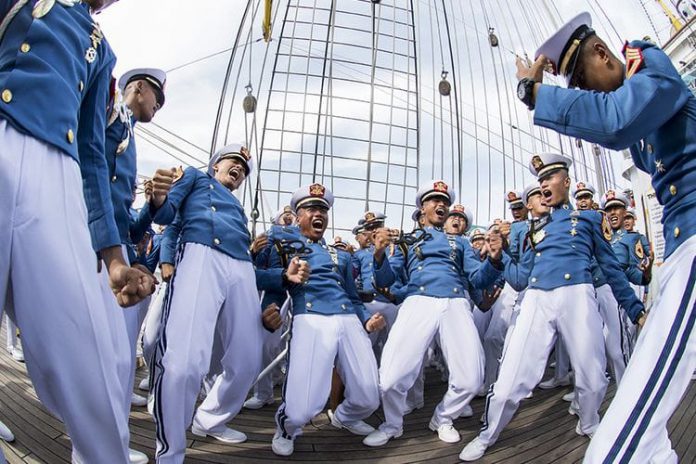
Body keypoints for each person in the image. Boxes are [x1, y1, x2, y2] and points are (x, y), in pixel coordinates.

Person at [515, 11, 696, 462]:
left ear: (602, 53)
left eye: (580, 77)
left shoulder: (650, 63)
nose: (582, 90)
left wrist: (538, 94)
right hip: (679, 251)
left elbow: (615, 121)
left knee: (618, 444)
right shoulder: (639, 110)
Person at [0, 1, 155, 462]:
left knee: (83, 344)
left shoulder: (102, 51)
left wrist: (113, 260)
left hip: (60, 179)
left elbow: (91, 154)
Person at [459, 153, 645, 461]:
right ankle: (488, 433)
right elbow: (519, 280)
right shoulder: (534, 230)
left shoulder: (587, 219)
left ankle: (588, 422)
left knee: (594, 376)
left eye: (549, 179)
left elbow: (612, 269)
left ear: (566, 182)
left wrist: (636, 310)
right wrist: (501, 254)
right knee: (510, 378)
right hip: (537, 298)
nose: (544, 184)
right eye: (540, 180)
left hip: (578, 293)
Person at [149, 144, 305, 463]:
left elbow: (250, 269)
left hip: (240, 266)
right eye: (234, 161)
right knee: (185, 360)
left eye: (245, 168)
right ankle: (171, 452)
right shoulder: (194, 177)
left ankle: (209, 420)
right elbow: (168, 218)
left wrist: (282, 277)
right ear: (216, 164)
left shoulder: (238, 209)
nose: (240, 169)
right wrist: (159, 198)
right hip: (199, 252)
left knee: (248, 359)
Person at [363, 180, 504, 447]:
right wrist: (379, 254)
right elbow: (386, 280)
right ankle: (392, 424)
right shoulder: (405, 242)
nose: (441, 204)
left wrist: (495, 260)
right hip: (418, 301)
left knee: (472, 379)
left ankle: (443, 418)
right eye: (434, 200)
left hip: (455, 302)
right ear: (422, 208)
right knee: (391, 378)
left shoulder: (460, 244)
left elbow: (478, 278)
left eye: (445, 202)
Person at [269, 183, 386, 457]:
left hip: (347, 318)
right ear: (297, 216)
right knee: (303, 408)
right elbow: (268, 279)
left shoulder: (340, 255)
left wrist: (366, 320)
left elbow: (353, 295)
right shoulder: (283, 244)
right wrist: (272, 303)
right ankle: (286, 427)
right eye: (311, 208)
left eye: (322, 208)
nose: (318, 213)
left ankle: (343, 417)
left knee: (369, 395)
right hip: (311, 317)